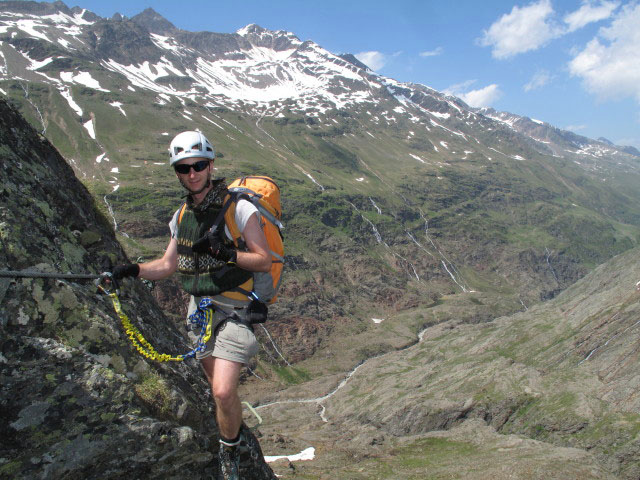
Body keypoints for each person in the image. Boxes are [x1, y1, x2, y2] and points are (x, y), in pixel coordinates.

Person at [111, 130, 271, 479]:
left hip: (234, 309)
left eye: (198, 165)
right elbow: (168, 265)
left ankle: (230, 454)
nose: (192, 173)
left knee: (223, 389)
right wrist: (133, 270)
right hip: (199, 311)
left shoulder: (239, 209)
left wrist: (226, 253)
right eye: (183, 168)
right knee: (220, 393)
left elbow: (263, 259)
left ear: (211, 165)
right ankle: (235, 434)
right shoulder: (181, 216)